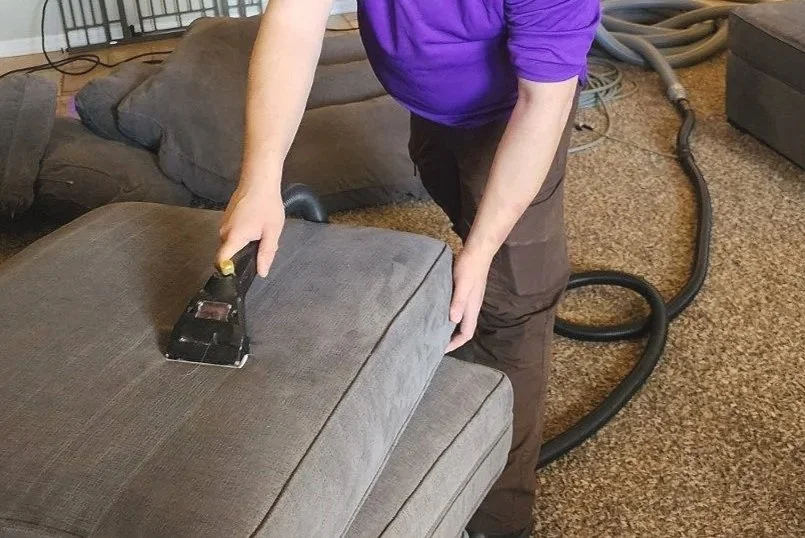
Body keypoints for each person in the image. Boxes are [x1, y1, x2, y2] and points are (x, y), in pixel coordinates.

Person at [216, 0, 600, 534]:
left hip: (516, 114)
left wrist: (485, 251)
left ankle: (497, 516)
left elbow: (544, 104)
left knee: (514, 301)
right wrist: (260, 178)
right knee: (460, 208)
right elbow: (294, 20)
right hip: (432, 110)